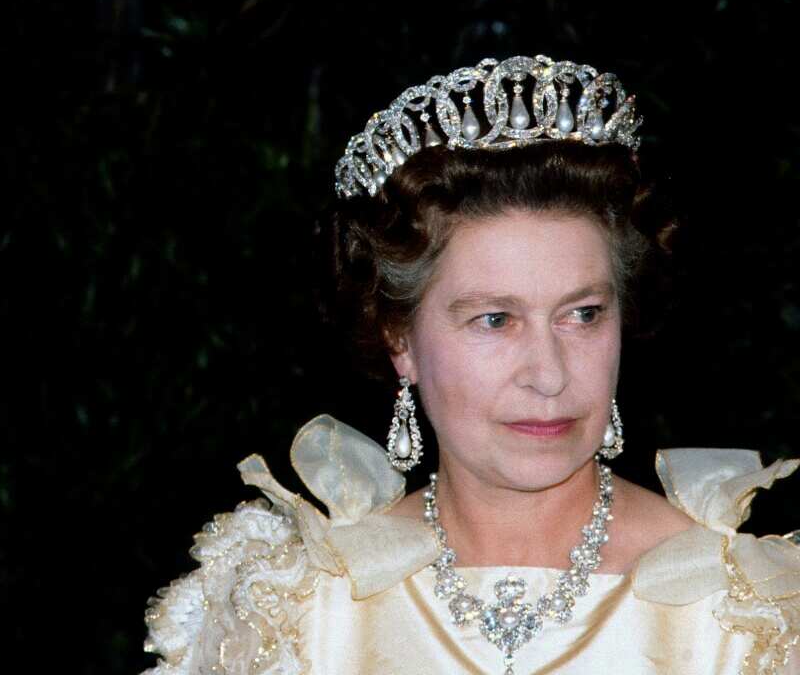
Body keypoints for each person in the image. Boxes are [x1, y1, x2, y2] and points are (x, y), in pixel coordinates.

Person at [140, 56, 800, 674]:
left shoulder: (746, 614)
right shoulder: (292, 609)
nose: (550, 374)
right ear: (399, 338)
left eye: (583, 314)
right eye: (494, 320)